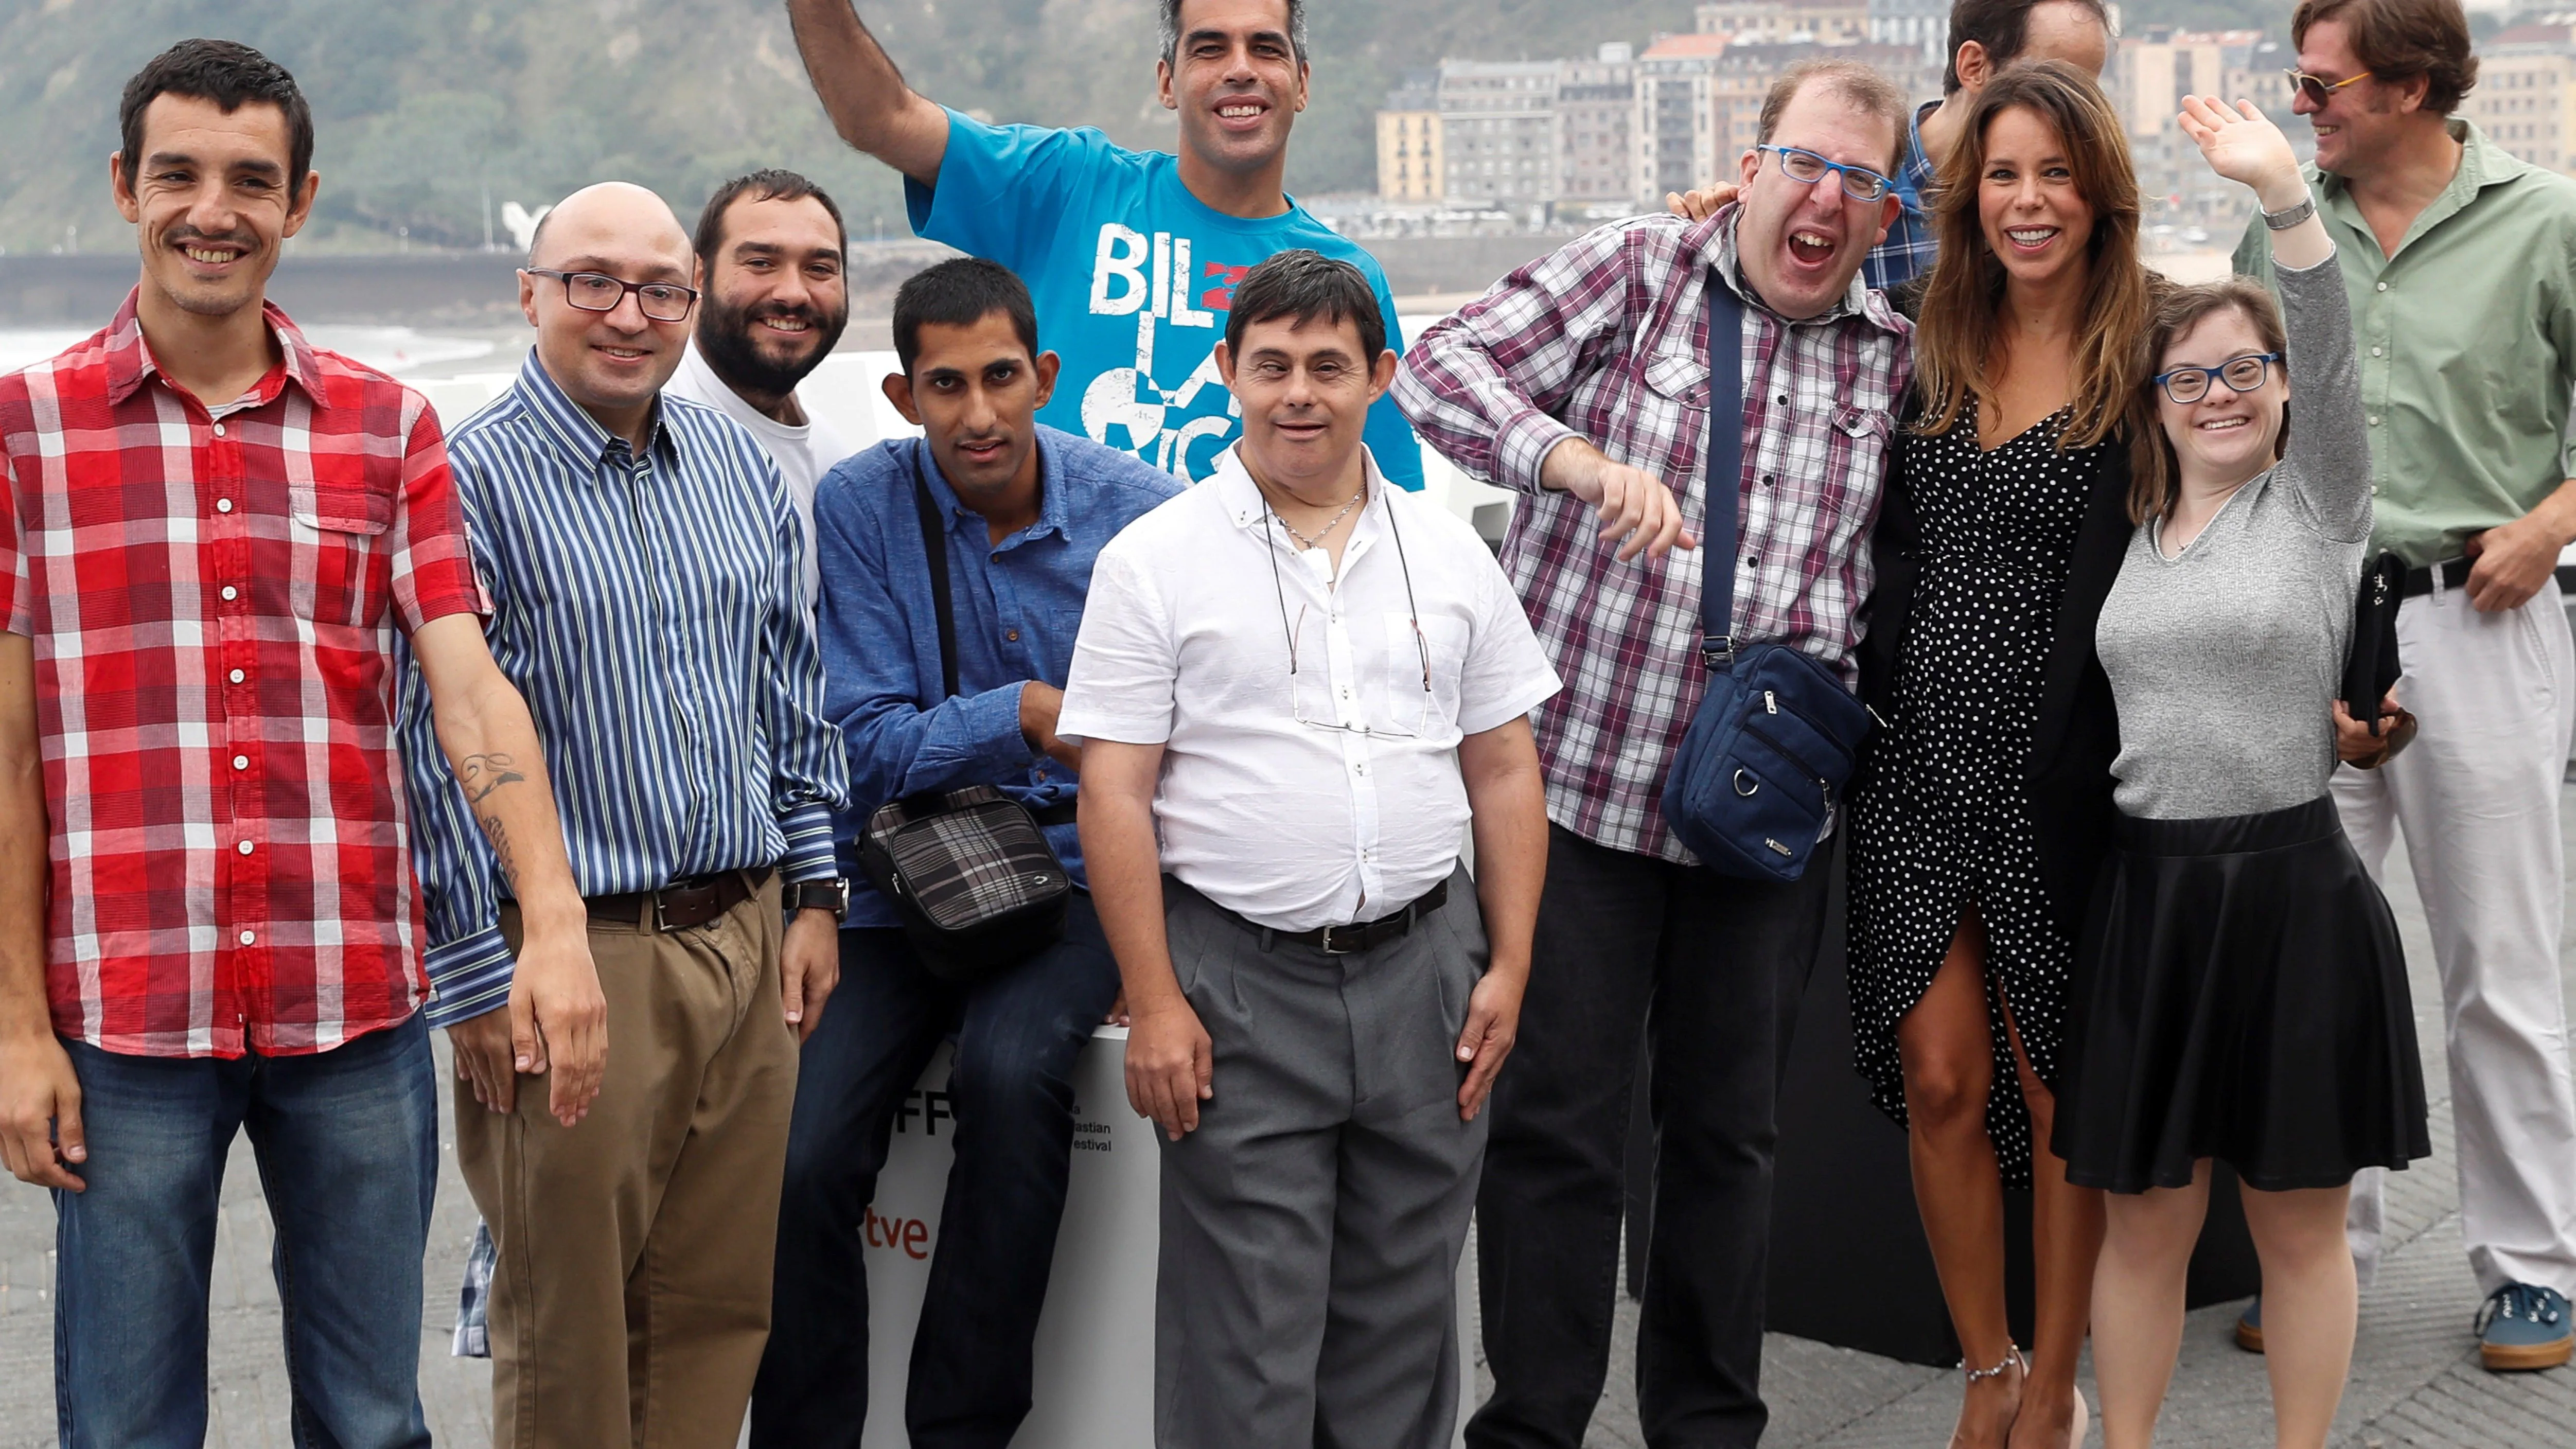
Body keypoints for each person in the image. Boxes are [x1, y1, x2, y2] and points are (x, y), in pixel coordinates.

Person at [0, 39, 600, 1447]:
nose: (215, 209)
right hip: (126, 1013)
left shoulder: (388, 429)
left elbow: (470, 688)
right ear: (123, 188)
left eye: (251, 180)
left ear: (302, 200)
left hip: (356, 1006)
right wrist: (17, 1025)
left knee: (373, 1420)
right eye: (181, 175)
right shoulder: (22, 435)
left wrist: (553, 918)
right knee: (124, 1423)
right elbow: (8, 751)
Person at [1396, 58, 1912, 1449]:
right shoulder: (1638, 268)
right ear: (1749, 166)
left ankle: (1704, 1424)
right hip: (1579, 791)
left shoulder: (1897, 351)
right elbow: (1439, 366)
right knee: (1557, 1129)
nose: (1824, 197)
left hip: (1763, 814)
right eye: (1805, 162)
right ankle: (1536, 1421)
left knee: (1726, 1137)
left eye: (1860, 180)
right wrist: (1561, 461)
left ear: (1884, 210)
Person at [1067, 250, 1556, 1447]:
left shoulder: (1451, 555)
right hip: (1238, 981)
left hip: (1428, 971)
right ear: (1227, 371)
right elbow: (1114, 792)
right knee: (1246, 1344)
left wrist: (1509, 966)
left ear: (1379, 377)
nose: (1300, 392)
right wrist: (1155, 999)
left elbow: (1502, 768)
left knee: (1403, 1330)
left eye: (1329, 366)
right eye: (1272, 364)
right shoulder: (1154, 561)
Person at [398, 181, 852, 1448]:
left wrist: (815, 895)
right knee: (570, 1329)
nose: (627, 313)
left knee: (715, 1312)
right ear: (529, 291)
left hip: (744, 934)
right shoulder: (462, 481)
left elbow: (790, 696)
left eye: (660, 289)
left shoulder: (736, 474)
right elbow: (433, 739)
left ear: (690, 305)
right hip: (571, 958)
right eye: (592, 279)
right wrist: (474, 974)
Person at [750, 257, 1180, 1448]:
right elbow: (867, 746)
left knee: (1010, 1075)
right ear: (902, 396)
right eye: (947, 385)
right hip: (902, 877)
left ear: (1044, 375)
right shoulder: (863, 505)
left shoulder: (1139, 510)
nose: (978, 413)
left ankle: (962, 1429)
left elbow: (1170, 744)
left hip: (1077, 871)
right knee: (803, 1155)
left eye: (1000, 377)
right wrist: (1032, 714)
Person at [2061, 94, 2430, 1449]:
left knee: (2295, 1226)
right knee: (2141, 1227)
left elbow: (2323, 338)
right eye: (2188, 376)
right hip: (2147, 906)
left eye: (2242, 372)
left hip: (2287, 898)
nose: (2217, 395)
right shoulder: (2126, 525)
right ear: (2150, 401)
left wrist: (2280, 196)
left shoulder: (2317, 504)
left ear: (2280, 390)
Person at [2232, 0, 2576, 1373]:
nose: (2300, 100)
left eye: (2323, 81)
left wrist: (2553, 523)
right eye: (2298, 75)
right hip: (2309, 625)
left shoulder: (2544, 219)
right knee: (2299, 963)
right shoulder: (2280, 225)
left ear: (2415, 87)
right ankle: (2324, 1259)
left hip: (2478, 621)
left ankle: (2530, 1268)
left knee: (2498, 966)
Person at [1846, 61, 2158, 1449]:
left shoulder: (2150, 350)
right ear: (1965, 195)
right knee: (1939, 1075)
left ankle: (2052, 1379)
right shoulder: (1922, 336)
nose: (2025, 200)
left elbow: (2268, 497)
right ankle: (1982, 1371)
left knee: (2054, 1089)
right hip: (1914, 761)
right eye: (1999, 174)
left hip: (2065, 773)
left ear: (2097, 190)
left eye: (2051, 172)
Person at [784, 0, 1424, 488]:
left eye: (1265, 48)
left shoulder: (1341, 279)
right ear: (1167, 82)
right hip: (1054, 600)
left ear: (1302, 82)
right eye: (1208, 49)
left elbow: (1384, 498)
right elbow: (883, 119)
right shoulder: (1071, 184)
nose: (1239, 70)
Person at [1669, 0, 2112, 294]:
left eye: (2087, 89)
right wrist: (1724, 233)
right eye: (2056, 80)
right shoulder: (1851, 188)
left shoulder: (2064, 206)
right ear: (1974, 66)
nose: (2074, 108)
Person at [664, 168, 868, 610]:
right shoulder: (646, 436)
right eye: (761, 263)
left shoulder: (833, 464)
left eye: (819, 269)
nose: (793, 294)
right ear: (698, 276)